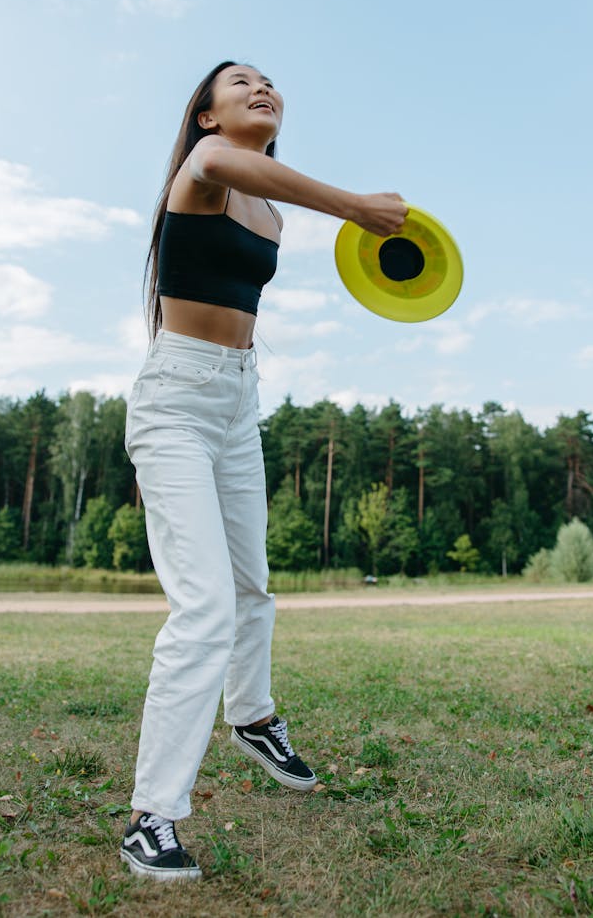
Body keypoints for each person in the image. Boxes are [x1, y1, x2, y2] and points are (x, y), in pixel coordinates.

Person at [120, 60, 407, 881]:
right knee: (205, 606)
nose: (262, 87)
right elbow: (222, 168)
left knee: (254, 587)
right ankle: (153, 816)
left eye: (270, 82)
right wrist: (355, 204)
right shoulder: (202, 169)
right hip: (175, 399)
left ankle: (252, 716)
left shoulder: (271, 214)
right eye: (239, 81)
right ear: (206, 116)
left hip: (237, 403)